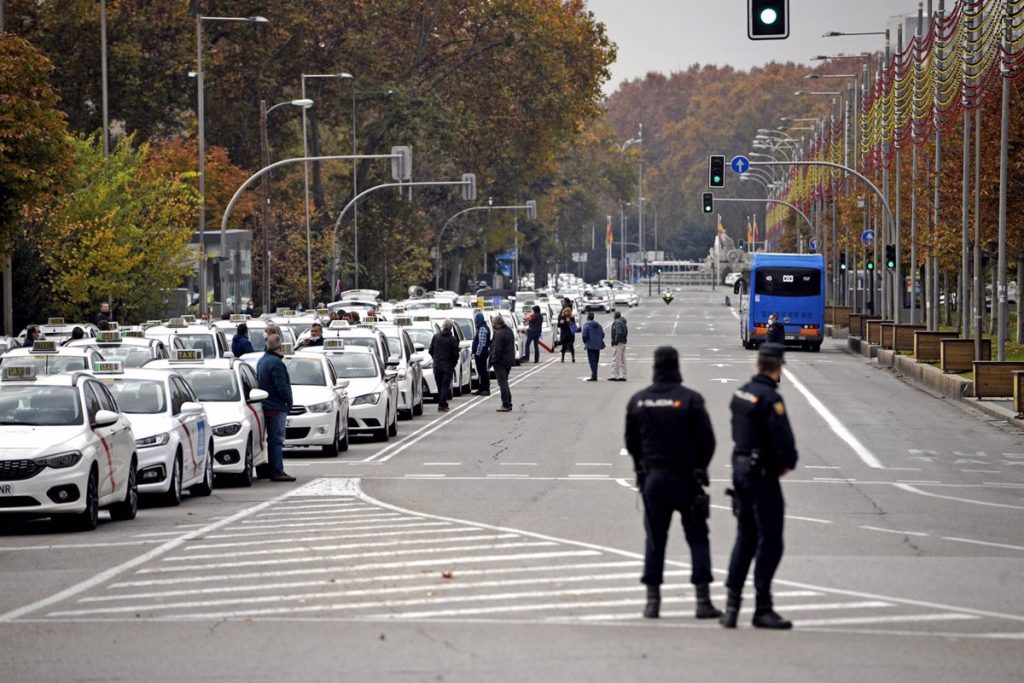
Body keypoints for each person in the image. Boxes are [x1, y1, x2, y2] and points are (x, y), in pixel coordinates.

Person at [626, 346, 720, 620]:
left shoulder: (638, 401)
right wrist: (699, 467)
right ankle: (702, 600)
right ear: (678, 366)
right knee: (698, 539)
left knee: (655, 540)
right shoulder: (691, 399)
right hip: (686, 480)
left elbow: (631, 443)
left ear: (654, 368)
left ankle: (652, 601)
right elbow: (708, 441)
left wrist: (640, 468)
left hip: (654, 480)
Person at [721, 342, 798, 630]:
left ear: (758, 364)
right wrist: (785, 464)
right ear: (778, 368)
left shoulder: (741, 394)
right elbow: (786, 445)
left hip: (740, 471)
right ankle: (763, 607)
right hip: (763, 475)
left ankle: (731, 607)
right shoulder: (770, 399)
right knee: (771, 540)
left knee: (745, 538)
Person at [256, 334, 296, 482]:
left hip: (266, 405)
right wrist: (288, 402)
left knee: (270, 439)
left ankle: (271, 468)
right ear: (280, 347)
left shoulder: (262, 360)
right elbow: (281, 386)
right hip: (276, 406)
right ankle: (277, 471)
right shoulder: (276, 363)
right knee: (277, 440)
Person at [428, 319, 459, 412]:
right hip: (447, 366)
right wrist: (453, 364)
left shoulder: (436, 337)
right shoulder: (452, 339)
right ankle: (442, 403)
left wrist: (435, 359)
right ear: (451, 328)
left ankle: (442, 403)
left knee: (440, 385)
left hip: (437, 365)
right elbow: (455, 354)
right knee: (445, 385)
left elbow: (430, 350)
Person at [490, 314, 515, 412]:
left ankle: (505, 403)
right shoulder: (509, 331)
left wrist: (493, 359)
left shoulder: (499, 333)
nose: (493, 325)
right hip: (508, 360)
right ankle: (508, 402)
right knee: (505, 382)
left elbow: (497, 349)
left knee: (502, 383)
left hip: (500, 362)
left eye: (493, 324)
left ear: (497, 324)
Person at [471, 312, 491, 396]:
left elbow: (481, 343)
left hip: (481, 354)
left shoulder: (482, 328)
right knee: (481, 371)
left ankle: (485, 389)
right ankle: (481, 388)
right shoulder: (483, 327)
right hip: (483, 353)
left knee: (482, 371)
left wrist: (477, 353)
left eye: (476, 319)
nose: (475, 321)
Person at [581, 312, 605, 381]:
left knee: (592, 361)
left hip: (590, 345)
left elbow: (584, 335)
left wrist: (585, 342)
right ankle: (595, 374)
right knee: (596, 361)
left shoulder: (586, 325)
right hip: (598, 345)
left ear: (587, 317)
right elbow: (603, 335)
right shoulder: (599, 325)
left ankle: (594, 375)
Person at [609, 311, 628, 381]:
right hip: (623, 342)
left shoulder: (617, 323)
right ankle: (622, 374)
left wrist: (615, 341)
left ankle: (615, 375)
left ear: (615, 316)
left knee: (616, 359)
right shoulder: (623, 322)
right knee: (622, 359)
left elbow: (618, 333)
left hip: (619, 343)